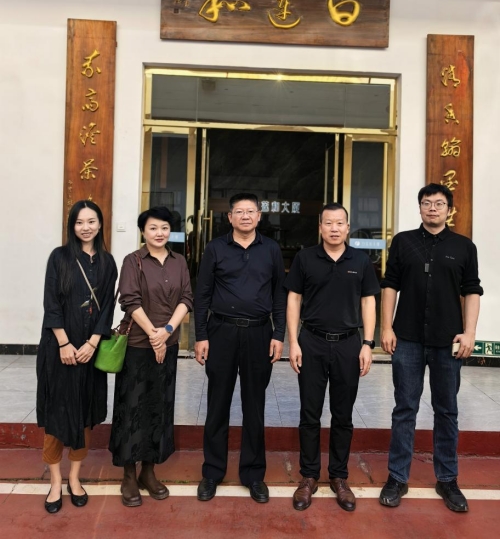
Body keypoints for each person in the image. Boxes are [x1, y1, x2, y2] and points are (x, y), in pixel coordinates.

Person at [379, 183, 482, 513]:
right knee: (404, 408)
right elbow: (390, 285)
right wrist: (386, 327)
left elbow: (472, 290)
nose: (432, 208)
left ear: (449, 209)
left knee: (447, 410)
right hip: (407, 338)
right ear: (420, 207)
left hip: (447, 341)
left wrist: (469, 333)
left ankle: (448, 479)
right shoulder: (403, 241)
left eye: (439, 203)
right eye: (427, 203)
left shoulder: (464, 246)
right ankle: (397, 477)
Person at [286, 203, 379, 512]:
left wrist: (368, 343)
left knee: (343, 415)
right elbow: (293, 299)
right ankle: (309, 476)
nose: (334, 228)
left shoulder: (361, 260)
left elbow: (368, 302)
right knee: (309, 414)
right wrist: (293, 342)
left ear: (347, 227)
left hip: (348, 345)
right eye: (329, 223)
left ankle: (339, 477)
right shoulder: (305, 258)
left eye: (340, 223)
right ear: (320, 227)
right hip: (311, 341)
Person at [194, 193, 286, 503]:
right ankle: (212, 472)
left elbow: (279, 294)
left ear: (259, 216)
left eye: (250, 211)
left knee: (254, 406)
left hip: (260, 333)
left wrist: (279, 334)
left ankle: (253, 474)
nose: (245, 216)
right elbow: (202, 294)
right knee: (217, 404)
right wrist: (201, 335)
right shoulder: (215, 248)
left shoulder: (271, 249)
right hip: (221, 332)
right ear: (230, 217)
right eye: (239, 211)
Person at [37, 200, 117, 514]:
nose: (86, 227)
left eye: (91, 221)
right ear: (72, 226)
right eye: (79, 222)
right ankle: (56, 481)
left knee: (84, 413)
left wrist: (93, 343)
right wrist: (64, 343)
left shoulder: (108, 262)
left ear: (100, 224)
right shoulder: (59, 257)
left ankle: (74, 477)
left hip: (89, 352)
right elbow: (51, 303)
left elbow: (107, 307)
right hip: (59, 350)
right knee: (57, 415)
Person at [109, 206, 193, 507]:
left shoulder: (179, 261)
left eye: (165, 228)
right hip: (137, 347)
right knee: (132, 408)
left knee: (159, 407)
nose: (159, 233)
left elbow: (187, 298)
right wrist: (153, 334)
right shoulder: (133, 261)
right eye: (153, 228)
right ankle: (128, 475)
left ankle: (148, 471)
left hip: (167, 345)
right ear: (143, 231)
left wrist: (166, 331)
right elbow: (129, 300)